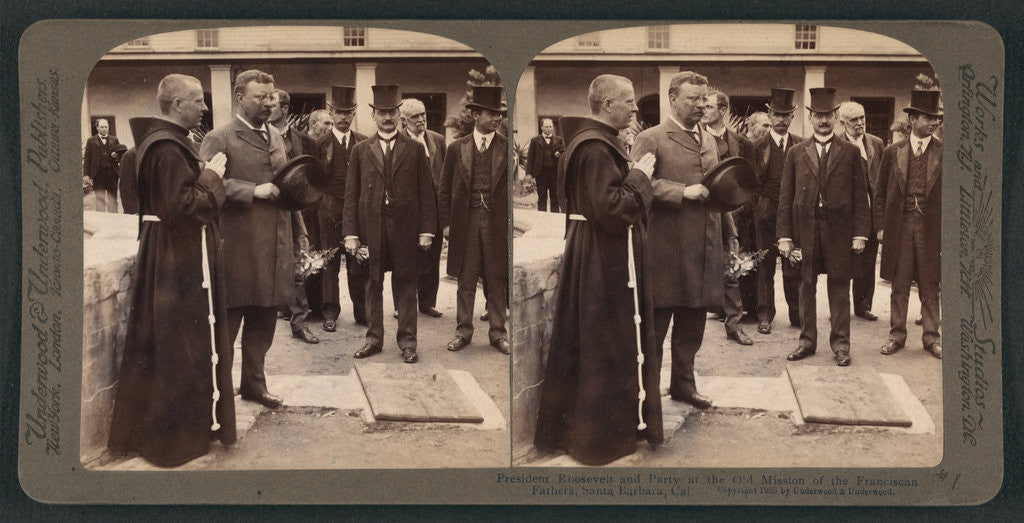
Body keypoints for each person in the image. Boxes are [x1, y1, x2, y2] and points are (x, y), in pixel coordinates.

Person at [107, 73, 236, 467]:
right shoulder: (167, 149)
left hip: (166, 254)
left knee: (170, 343)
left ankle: (184, 430)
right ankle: (176, 441)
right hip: (177, 258)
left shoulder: (164, 143)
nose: (205, 106)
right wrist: (214, 177)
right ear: (177, 104)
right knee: (179, 345)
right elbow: (182, 207)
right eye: (198, 100)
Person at [534, 74, 663, 465]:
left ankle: (614, 430)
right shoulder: (594, 148)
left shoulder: (596, 143)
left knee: (603, 342)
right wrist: (641, 175)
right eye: (629, 102)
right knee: (604, 343)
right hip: (602, 259)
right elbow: (610, 209)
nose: (635, 109)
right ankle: (600, 440)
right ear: (607, 104)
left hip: (600, 253)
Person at [199, 69, 291, 409]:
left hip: (275, 243)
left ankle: (254, 385)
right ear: (240, 98)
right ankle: (217, 393)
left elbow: (286, 184)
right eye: (261, 98)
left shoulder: (277, 136)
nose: (269, 103)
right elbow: (205, 185)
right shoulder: (219, 137)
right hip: (238, 247)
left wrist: (303, 234)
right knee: (229, 324)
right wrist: (252, 190)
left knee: (265, 319)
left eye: (271, 97)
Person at [630, 71, 721, 409]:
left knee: (693, 321)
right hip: (666, 249)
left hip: (703, 246)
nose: (701, 105)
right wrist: (682, 191)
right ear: (672, 99)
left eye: (704, 99)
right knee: (655, 328)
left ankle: (684, 385)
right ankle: (646, 393)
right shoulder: (652, 138)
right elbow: (636, 185)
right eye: (693, 99)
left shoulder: (709, 138)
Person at [343, 85, 436, 364]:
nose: (387, 118)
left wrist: (426, 230)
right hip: (372, 228)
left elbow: (426, 193)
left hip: (405, 228)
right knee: (373, 283)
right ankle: (373, 339)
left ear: (400, 116)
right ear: (373, 115)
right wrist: (350, 234)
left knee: (406, 283)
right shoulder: (361, 150)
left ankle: (408, 342)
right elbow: (351, 194)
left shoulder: (415, 149)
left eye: (392, 112)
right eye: (382, 112)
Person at [777, 87, 870, 367]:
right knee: (806, 287)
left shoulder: (851, 152)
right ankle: (806, 342)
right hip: (806, 231)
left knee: (839, 287)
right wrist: (784, 237)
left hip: (840, 233)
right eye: (818, 115)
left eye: (828, 115)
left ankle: (841, 345)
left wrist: (860, 233)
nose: (823, 120)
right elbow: (786, 198)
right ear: (811, 117)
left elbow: (860, 196)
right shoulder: (796, 152)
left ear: (836, 117)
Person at [439, 86, 511, 355]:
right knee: (466, 279)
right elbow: (444, 189)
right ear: (476, 115)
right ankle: (463, 331)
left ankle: (498, 333)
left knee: (496, 279)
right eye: (492, 114)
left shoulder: (505, 147)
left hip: (495, 224)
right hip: (466, 222)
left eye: (499, 115)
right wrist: (446, 224)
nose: (497, 119)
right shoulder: (457, 148)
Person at [875, 90, 943, 360]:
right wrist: (880, 227)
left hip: (931, 229)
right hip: (900, 227)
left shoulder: (945, 151)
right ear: (913, 119)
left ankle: (931, 338)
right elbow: (879, 192)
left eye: (936, 118)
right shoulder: (893, 151)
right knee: (900, 284)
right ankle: (897, 335)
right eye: (928, 117)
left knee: (930, 283)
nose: (934, 122)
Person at [702, 90, 757, 346]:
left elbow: (748, 180)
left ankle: (734, 325)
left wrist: (738, 209)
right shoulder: (696, 138)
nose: (704, 110)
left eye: (710, 106)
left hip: (731, 215)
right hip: (702, 210)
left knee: (731, 267)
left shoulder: (741, 142)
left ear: (722, 110)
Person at [268, 88, 320, 344]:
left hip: (294, 211)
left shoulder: (302, 140)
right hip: (264, 210)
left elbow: (314, 175)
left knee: (299, 264)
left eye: (273, 104)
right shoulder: (258, 138)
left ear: (285, 109)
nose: (268, 108)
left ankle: (300, 322)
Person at [315, 86, 368, 331]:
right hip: (329, 209)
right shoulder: (320, 144)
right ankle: (329, 313)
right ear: (331, 112)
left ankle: (362, 311)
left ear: (354, 112)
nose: (344, 117)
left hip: (356, 210)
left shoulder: (364, 143)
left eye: (348, 112)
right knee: (330, 262)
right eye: (339, 112)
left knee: (358, 261)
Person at [752, 88, 803, 335]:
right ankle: (764, 315)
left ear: (792, 116)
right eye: (777, 114)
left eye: (786, 115)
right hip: (765, 213)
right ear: (769, 115)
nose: (782, 119)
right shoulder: (757, 146)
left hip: (793, 215)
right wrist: (758, 208)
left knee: (793, 264)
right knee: (765, 265)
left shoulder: (801, 145)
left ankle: (797, 314)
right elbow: (749, 184)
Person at [836, 100, 886, 322]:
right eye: (854, 119)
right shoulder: (836, 144)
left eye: (862, 118)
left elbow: (883, 181)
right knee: (843, 261)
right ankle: (840, 306)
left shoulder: (876, 143)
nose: (859, 123)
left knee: (868, 259)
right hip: (846, 213)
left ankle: (863, 305)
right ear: (843, 122)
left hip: (871, 211)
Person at [400, 97, 447, 319]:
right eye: (415, 116)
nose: (421, 120)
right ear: (404, 120)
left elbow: (446, 177)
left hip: (434, 209)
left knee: (432, 257)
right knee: (407, 258)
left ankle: (427, 302)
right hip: (409, 210)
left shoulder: (437, 140)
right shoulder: (399, 142)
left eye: (423, 115)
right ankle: (403, 305)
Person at [84, 118, 123, 212]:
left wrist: (116, 155)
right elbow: (87, 158)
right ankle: (101, 222)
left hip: (112, 174)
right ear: (97, 128)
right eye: (102, 127)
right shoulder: (91, 141)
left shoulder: (114, 139)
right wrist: (86, 174)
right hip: (98, 174)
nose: (104, 129)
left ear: (108, 127)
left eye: (106, 127)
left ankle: (114, 220)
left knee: (113, 199)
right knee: (99, 199)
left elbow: (120, 155)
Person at [526, 118, 565, 212]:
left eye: (550, 127)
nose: (548, 129)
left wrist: (559, 154)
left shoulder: (559, 140)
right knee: (542, 198)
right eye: (546, 127)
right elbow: (530, 157)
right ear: (542, 127)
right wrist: (529, 173)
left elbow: (564, 151)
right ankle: (541, 220)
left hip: (554, 173)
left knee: (555, 198)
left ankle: (553, 221)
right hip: (541, 173)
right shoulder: (535, 140)